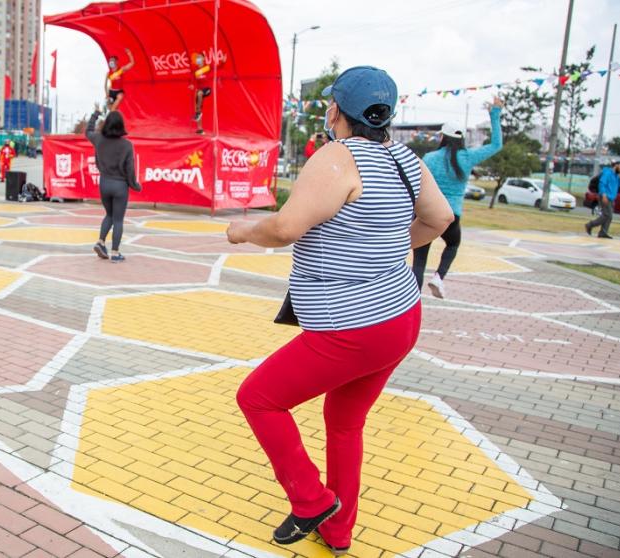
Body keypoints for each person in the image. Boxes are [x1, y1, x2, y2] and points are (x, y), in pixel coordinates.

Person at [225, 66, 453, 555]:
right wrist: (389, 253)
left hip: (352, 329)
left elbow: (285, 228)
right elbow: (440, 218)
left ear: (336, 110)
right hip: (401, 319)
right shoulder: (406, 160)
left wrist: (242, 231)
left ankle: (309, 500)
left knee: (259, 398)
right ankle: (338, 530)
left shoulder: (336, 157)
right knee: (345, 422)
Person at [413, 97, 504, 299]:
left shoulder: (429, 158)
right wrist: (495, 113)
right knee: (452, 244)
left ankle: (411, 301)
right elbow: (496, 145)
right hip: (452, 214)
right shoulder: (468, 157)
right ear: (462, 139)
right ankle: (439, 276)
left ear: (442, 138)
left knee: (419, 260)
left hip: (426, 213)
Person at [86, 105, 141, 262]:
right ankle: (115, 253)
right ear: (121, 126)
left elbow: (88, 132)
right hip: (120, 186)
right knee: (118, 219)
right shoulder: (126, 145)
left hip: (104, 183)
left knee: (109, 215)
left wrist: (95, 114)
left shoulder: (99, 139)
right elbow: (129, 169)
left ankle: (100, 242)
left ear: (107, 124)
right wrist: (135, 185)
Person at [586, 160, 620, 239]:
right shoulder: (607, 173)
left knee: (609, 216)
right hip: (605, 196)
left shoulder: (616, 175)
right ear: (616, 165)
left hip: (611, 198)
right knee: (607, 215)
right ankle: (590, 225)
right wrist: (603, 194)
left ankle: (603, 232)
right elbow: (602, 183)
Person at [190, 51, 212, 134]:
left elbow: (218, 66)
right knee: (198, 106)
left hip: (207, 90)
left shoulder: (207, 67)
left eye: (199, 57)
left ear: (203, 58)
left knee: (199, 93)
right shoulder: (195, 70)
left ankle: (198, 113)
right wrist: (192, 85)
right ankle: (200, 129)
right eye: (197, 58)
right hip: (199, 91)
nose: (198, 59)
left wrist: (223, 62)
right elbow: (193, 80)